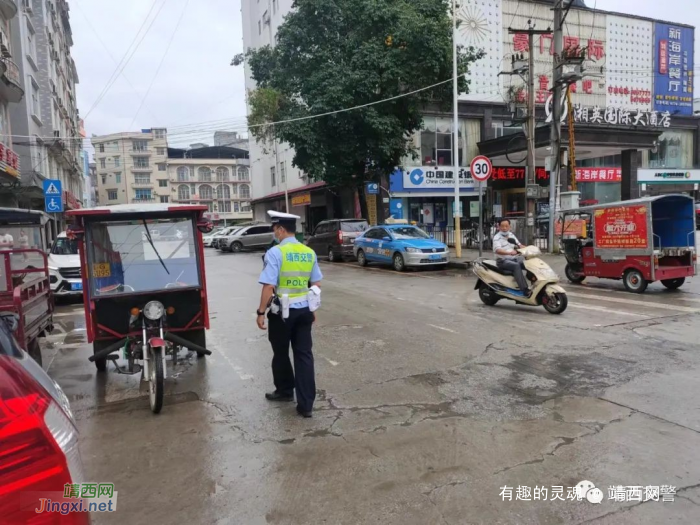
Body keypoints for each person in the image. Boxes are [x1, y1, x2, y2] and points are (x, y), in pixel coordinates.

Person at [257, 211, 323, 418]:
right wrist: (311, 309)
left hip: (282, 314)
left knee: (281, 352)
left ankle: (285, 391)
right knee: (304, 355)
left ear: (281, 229)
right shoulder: (308, 252)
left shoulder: (275, 252)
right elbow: (316, 283)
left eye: (275, 230)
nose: (275, 234)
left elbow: (269, 286)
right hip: (304, 311)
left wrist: (260, 312)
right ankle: (306, 405)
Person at [493, 219, 530, 296]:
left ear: (509, 227)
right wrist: (509, 253)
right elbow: (498, 250)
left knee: (528, 263)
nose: (504, 228)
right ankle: (524, 290)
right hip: (502, 261)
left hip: (514, 258)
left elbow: (519, 245)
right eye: (502, 226)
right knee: (516, 266)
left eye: (506, 226)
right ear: (499, 227)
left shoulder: (511, 235)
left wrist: (529, 249)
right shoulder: (496, 237)